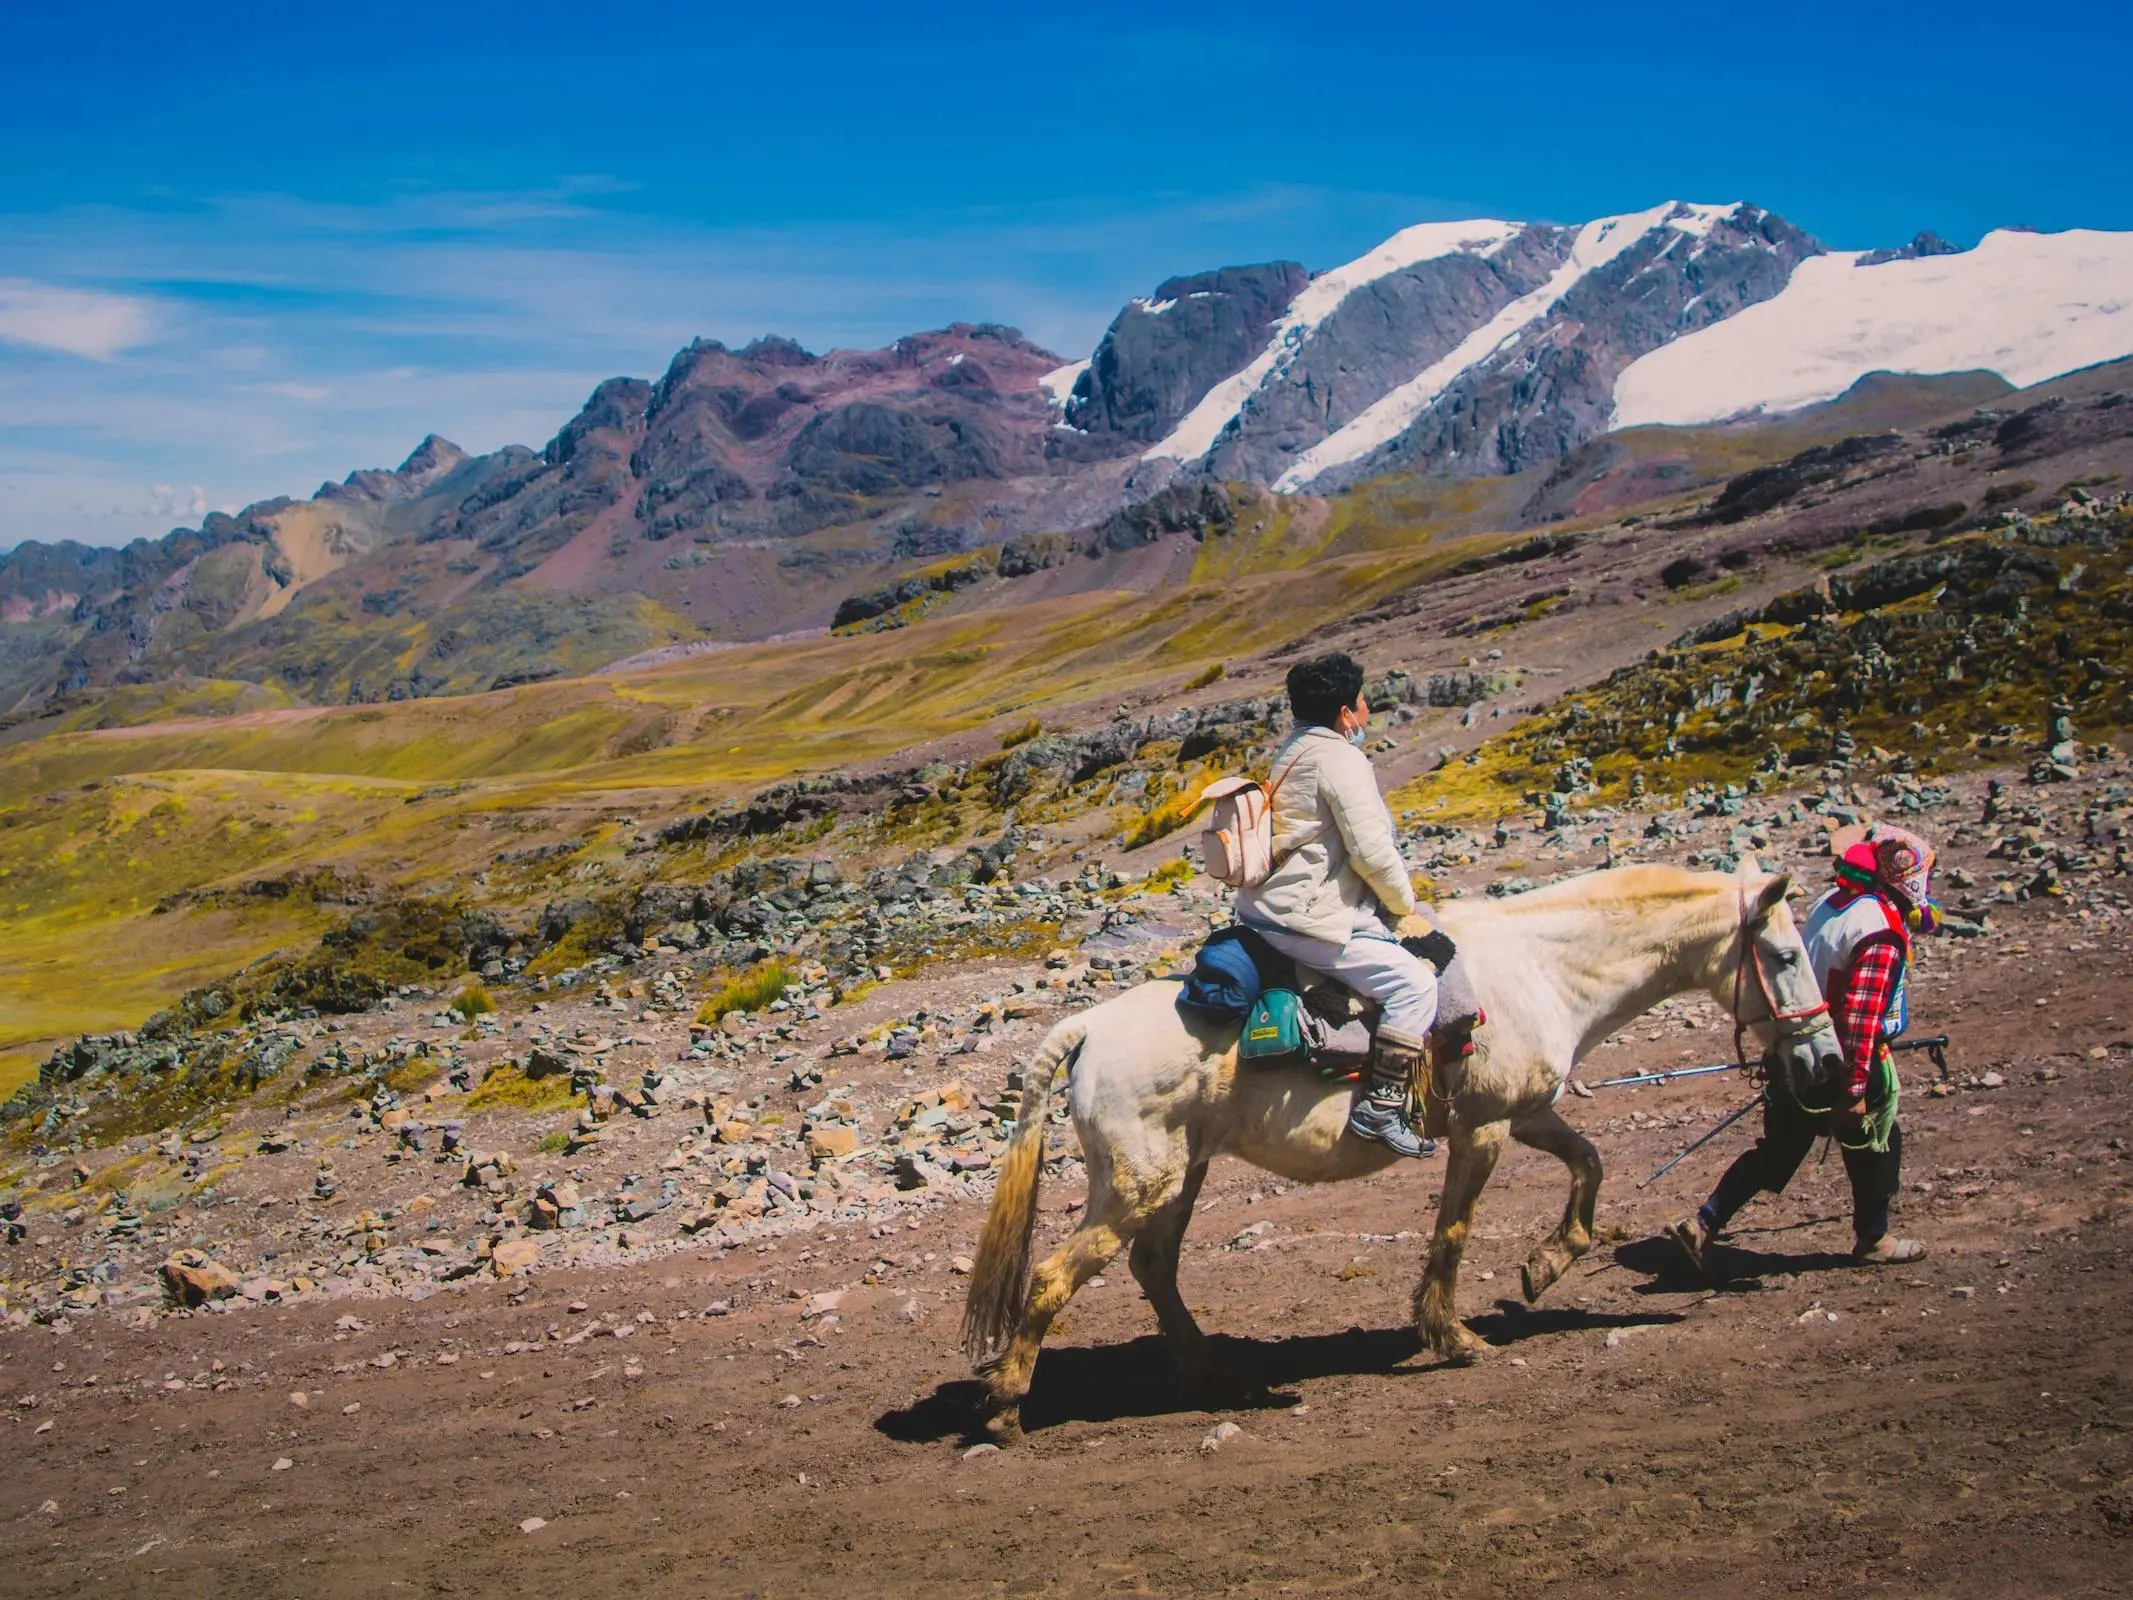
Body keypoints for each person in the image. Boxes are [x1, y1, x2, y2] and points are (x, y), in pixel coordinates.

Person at [1669, 823, 1939, 1273]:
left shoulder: (1832, 903)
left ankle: (1705, 1223)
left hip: (1796, 1053)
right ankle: (1873, 1240)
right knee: (1877, 1142)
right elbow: (1860, 1018)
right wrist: (1854, 1088)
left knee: (1777, 1150)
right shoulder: (1881, 932)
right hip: (1840, 1059)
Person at [1238, 652, 1439, 1158]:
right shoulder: (1342, 759)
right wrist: (1403, 900)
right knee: (1414, 984)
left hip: (1266, 907)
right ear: (1346, 712)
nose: (1367, 709)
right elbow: (1371, 851)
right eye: (1363, 700)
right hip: (1308, 916)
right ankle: (1383, 1106)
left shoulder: (1293, 750)